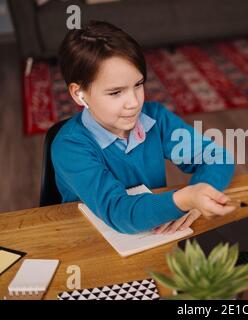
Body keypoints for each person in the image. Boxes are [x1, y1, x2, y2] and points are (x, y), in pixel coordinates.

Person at [52, 21, 235, 235]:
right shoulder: (70, 147)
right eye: (115, 92)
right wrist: (185, 199)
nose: (134, 103)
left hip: (153, 233)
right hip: (90, 241)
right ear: (78, 94)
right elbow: (118, 211)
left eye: (138, 85)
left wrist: (199, 198)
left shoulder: (154, 118)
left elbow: (218, 157)